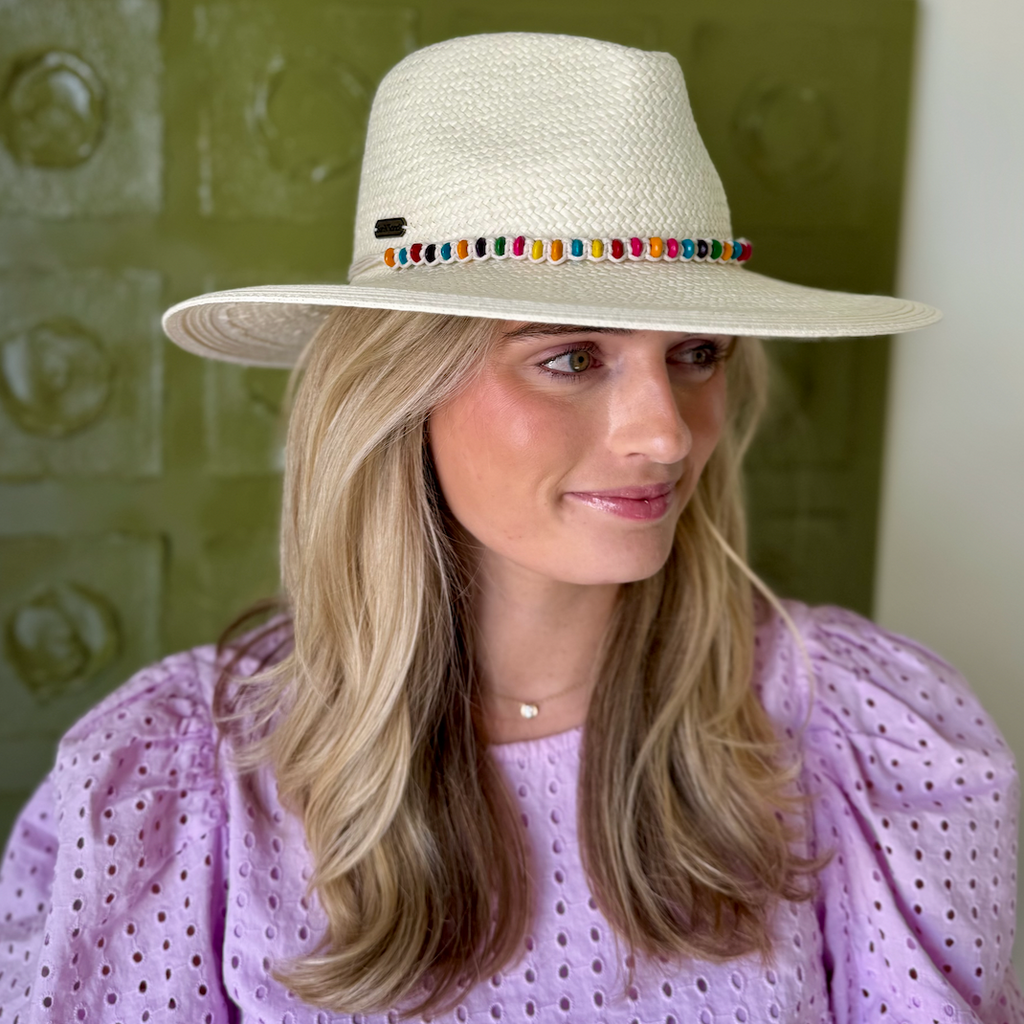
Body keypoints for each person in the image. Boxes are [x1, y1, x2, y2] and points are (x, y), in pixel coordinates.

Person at [1, 31, 1020, 1024]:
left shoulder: (852, 734)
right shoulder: (184, 788)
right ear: (399, 393)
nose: (664, 433)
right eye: (571, 357)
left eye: (697, 351)